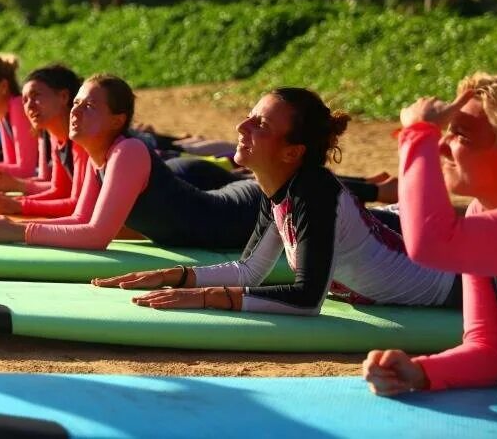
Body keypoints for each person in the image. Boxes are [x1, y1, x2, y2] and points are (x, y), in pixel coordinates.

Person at [88, 86, 459, 315]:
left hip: (456, 276)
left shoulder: (312, 192)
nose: (241, 128)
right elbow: (250, 270)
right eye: (248, 118)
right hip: (401, 233)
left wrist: (207, 298)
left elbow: (307, 299)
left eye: (259, 126)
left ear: (291, 152)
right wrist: (178, 277)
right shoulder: (276, 186)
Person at [0, 74, 261, 249]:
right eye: (76, 104)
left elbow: (98, 236)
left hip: (242, 216)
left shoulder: (127, 151)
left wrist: (19, 231)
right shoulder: (97, 155)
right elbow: (81, 220)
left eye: (89, 106)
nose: (75, 112)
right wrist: (14, 223)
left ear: (117, 120)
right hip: (217, 203)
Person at [363, 74, 497, 395]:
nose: (441, 146)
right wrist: (420, 371)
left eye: (460, 135)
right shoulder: (482, 213)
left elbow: (432, 243)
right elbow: (488, 348)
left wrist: (417, 133)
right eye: (445, 133)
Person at [0, 64, 88, 218]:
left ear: (63, 97)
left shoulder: (82, 139)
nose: (29, 105)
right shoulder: (57, 137)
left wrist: (19, 205)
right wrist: (11, 201)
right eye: (25, 100)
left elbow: (78, 205)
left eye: (36, 95)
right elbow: (59, 191)